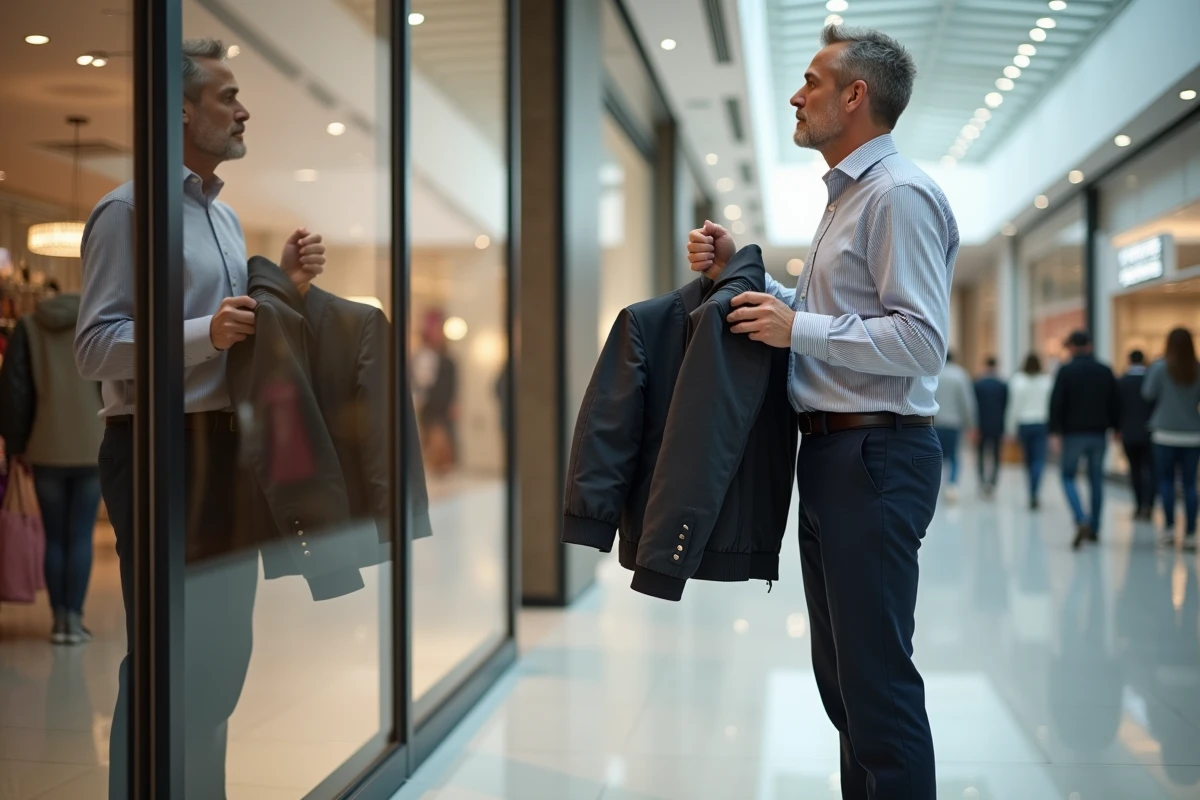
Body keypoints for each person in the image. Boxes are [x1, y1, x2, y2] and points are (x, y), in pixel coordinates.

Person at [688, 24, 954, 799]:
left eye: (811, 81)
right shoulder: (849, 198)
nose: (796, 97)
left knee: (876, 688)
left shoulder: (896, 195)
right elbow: (826, 314)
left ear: (855, 95)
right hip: (838, 455)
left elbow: (920, 341)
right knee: (845, 685)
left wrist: (796, 327)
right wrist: (742, 275)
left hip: (875, 456)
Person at [74, 38, 326, 797]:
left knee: (219, 659)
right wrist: (201, 334)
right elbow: (94, 348)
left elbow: (234, 334)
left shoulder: (226, 218)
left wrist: (283, 285)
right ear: (180, 111)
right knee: (166, 656)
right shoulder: (127, 211)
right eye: (228, 96)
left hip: (224, 451)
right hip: (159, 451)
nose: (244, 110)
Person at [0, 290, 104, 644]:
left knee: (54, 536)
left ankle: (58, 620)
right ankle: (74, 619)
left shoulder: (28, 327)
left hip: (44, 446)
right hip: (91, 444)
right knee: (80, 535)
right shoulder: (94, 322)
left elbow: (14, 391)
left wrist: (17, 446)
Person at [1049, 330, 1120, 550]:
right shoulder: (1105, 370)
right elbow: (1115, 401)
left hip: (1073, 434)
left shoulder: (1066, 371)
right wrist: (1116, 428)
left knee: (1067, 475)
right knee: (1096, 480)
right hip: (1099, 434)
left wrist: (1054, 431)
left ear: (1071, 347)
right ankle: (1095, 528)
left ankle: (1081, 518)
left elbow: (1056, 403)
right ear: (1090, 346)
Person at [1143, 328, 1200, 550]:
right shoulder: (1197, 369)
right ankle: (1191, 533)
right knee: (1189, 484)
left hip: (1164, 433)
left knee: (1166, 481)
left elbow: (1148, 393)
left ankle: (1168, 528)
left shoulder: (1160, 368)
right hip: (1192, 434)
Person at [1006, 352, 1053, 510]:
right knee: (1039, 459)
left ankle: (1031, 491)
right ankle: (1035, 491)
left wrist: (1010, 429)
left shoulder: (1018, 381)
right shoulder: (1047, 381)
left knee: (1028, 459)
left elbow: (1013, 407)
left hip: (1024, 424)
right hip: (1041, 423)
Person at [1117, 349, 1156, 521]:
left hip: (1129, 433)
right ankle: (1149, 504)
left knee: (1135, 470)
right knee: (1150, 469)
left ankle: (1139, 504)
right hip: (1150, 432)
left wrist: (1117, 428)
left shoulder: (1122, 381)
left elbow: (1117, 408)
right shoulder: (1151, 380)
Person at [932, 351, 975, 503]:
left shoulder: (934, 375)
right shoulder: (960, 375)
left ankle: (936, 486)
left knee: (937, 457)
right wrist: (970, 423)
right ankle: (951, 485)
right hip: (954, 424)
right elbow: (967, 402)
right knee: (954, 456)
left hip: (935, 423)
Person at [974, 356, 1008, 498]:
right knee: (996, 454)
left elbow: (974, 406)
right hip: (997, 425)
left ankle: (982, 481)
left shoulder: (978, 384)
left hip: (981, 424)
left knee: (981, 454)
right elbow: (1006, 406)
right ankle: (993, 482)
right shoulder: (1002, 385)